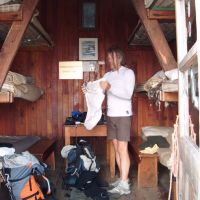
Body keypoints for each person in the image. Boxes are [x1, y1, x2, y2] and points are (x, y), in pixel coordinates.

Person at [100, 46, 135, 195]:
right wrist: (91, 89)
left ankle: (124, 185)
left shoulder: (129, 73)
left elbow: (127, 94)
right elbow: (102, 91)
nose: (108, 60)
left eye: (110, 58)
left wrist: (110, 88)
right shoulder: (107, 74)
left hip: (123, 115)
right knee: (117, 150)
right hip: (111, 114)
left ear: (118, 58)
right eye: (108, 58)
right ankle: (122, 178)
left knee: (122, 150)